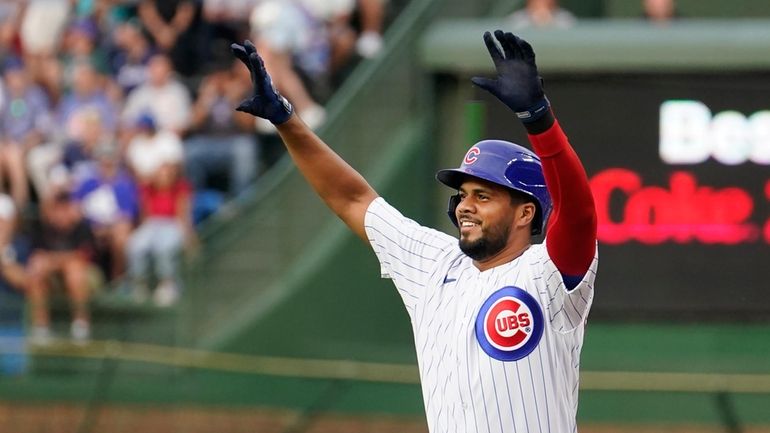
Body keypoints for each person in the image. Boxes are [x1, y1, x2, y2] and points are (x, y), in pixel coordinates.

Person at [231, 29, 598, 432]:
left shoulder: (547, 273)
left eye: (483, 195)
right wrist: (287, 120)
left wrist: (538, 119)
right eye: (462, 194)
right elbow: (352, 198)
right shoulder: (434, 264)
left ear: (526, 212)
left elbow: (578, 214)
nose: (465, 206)